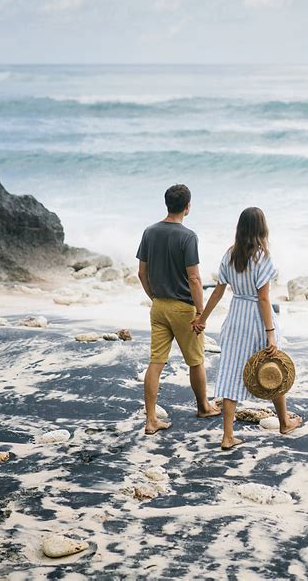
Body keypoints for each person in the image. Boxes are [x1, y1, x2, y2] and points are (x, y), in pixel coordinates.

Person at [192, 207, 302, 450]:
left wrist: (203, 318)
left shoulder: (230, 255)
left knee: (231, 373)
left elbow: (218, 292)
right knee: (274, 369)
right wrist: (270, 333)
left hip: (235, 319)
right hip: (257, 320)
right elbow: (263, 299)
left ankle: (228, 436)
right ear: (262, 229)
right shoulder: (262, 257)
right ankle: (284, 422)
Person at [136, 184, 221, 435]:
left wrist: (154, 296)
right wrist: (200, 312)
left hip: (159, 306)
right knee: (196, 361)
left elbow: (142, 273)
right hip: (183, 309)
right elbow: (194, 279)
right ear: (188, 207)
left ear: (166, 204)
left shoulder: (149, 232)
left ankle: (151, 420)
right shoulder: (188, 236)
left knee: (156, 362)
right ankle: (203, 406)